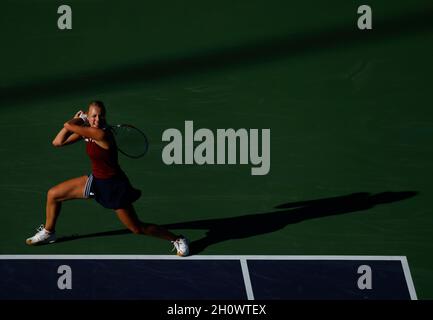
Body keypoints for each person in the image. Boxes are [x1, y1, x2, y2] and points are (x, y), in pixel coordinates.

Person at [25, 101, 189, 256]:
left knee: (137, 228)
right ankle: (48, 232)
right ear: (89, 117)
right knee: (54, 194)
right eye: (94, 116)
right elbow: (58, 142)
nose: (97, 119)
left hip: (113, 187)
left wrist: (80, 118)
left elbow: (68, 125)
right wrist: (82, 122)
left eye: (101, 116)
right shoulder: (87, 131)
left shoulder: (100, 133)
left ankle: (177, 239)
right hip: (95, 181)